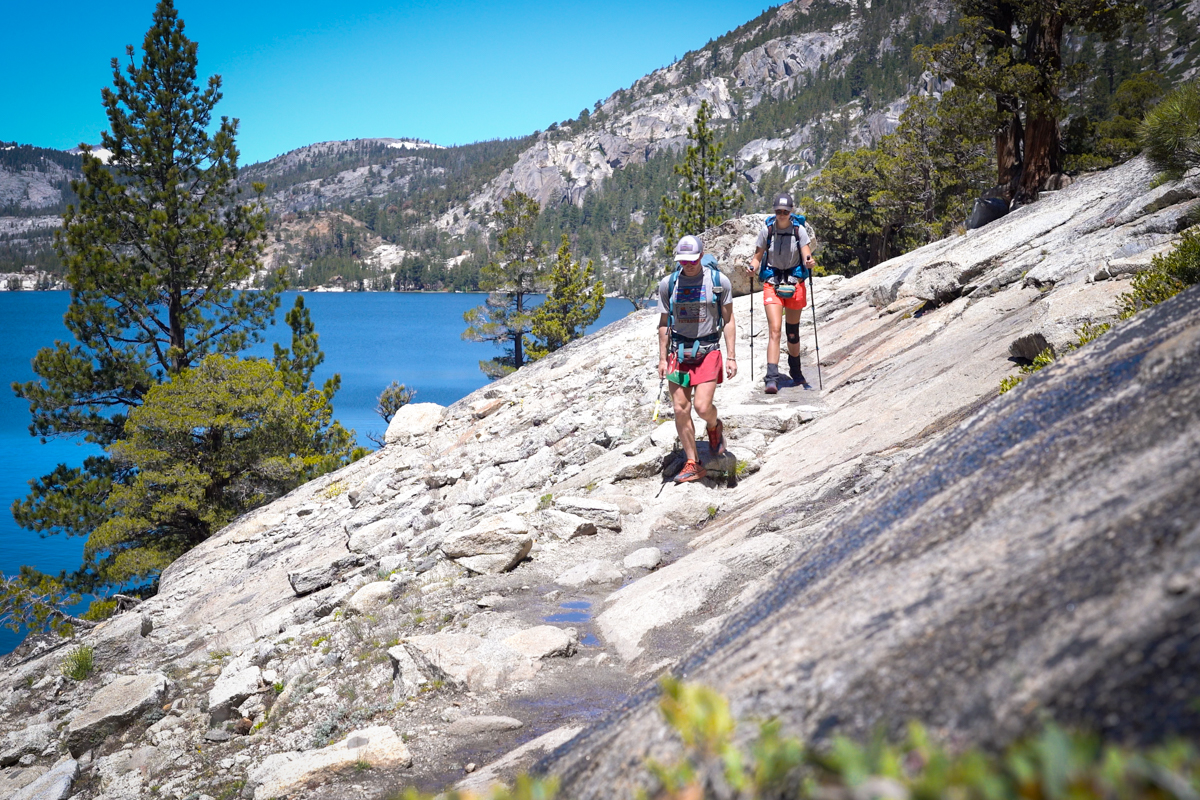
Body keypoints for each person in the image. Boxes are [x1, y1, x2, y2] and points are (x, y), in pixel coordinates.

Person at [657, 235, 737, 483]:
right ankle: (693, 462)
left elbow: (729, 320)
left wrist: (731, 356)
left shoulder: (718, 282)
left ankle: (714, 426)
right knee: (680, 408)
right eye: (683, 260)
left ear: (701, 256)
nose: (687, 264)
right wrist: (662, 358)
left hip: (708, 351)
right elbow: (663, 323)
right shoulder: (669, 284)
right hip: (678, 354)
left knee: (702, 407)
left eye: (692, 260)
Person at [747, 193, 816, 394]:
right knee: (775, 330)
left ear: (791, 211)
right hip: (772, 282)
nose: (782, 215)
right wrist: (752, 267)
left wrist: (809, 262)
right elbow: (757, 257)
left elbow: (806, 254)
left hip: (794, 283)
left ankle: (796, 371)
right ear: (775, 211)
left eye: (786, 211)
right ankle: (772, 378)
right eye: (779, 211)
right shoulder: (767, 230)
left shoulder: (799, 230)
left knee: (792, 333)